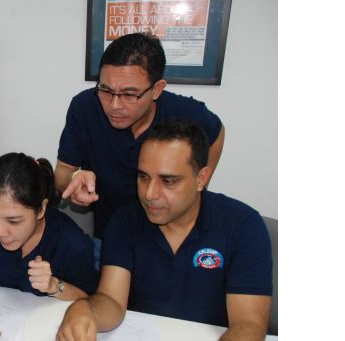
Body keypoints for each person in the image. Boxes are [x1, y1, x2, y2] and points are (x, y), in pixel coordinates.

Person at [56, 121, 272, 341]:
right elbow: (111, 301)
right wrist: (84, 310)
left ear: (201, 178)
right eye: (143, 177)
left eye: (168, 181)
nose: (149, 194)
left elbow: (249, 325)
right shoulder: (125, 220)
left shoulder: (242, 226)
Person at [56, 32, 226, 262]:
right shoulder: (85, 107)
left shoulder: (185, 114)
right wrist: (75, 177)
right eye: (105, 90)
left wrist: (198, 184)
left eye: (129, 94)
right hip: (113, 234)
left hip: (170, 235)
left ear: (156, 89)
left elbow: (217, 132)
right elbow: (63, 173)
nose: (114, 105)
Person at [0, 152, 99, 341]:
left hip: (41, 340)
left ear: (41, 209)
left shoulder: (71, 243)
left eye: (14, 221)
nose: (0, 231)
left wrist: (54, 286)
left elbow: (89, 303)